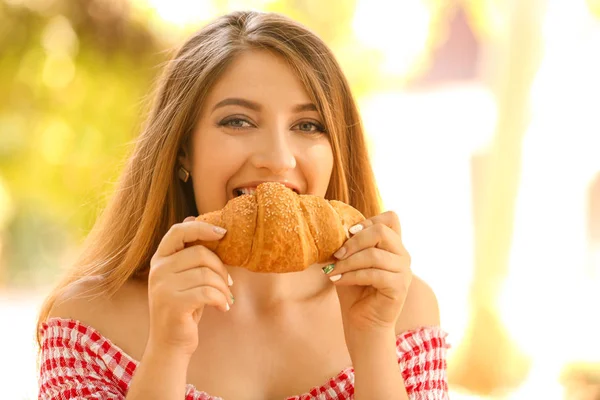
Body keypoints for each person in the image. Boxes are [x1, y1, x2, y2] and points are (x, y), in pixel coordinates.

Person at [36, 10, 449, 400]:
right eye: (238, 121)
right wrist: (167, 349)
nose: (278, 159)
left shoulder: (402, 312)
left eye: (308, 125)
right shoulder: (87, 323)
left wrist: (372, 339)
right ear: (182, 150)